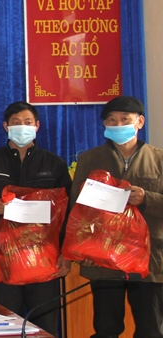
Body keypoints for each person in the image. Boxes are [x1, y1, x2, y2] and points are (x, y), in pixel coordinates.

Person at [0, 102, 71, 335]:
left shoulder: (54, 163)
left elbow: (68, 211)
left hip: (45, 258)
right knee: (6, 327)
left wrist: (66, 254)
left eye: (27, 122)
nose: (22, 127)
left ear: (37, 126)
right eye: (16, 123)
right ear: (5, 126)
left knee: (45, 328)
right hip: (4, 259)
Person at [70, 95, 163, 337]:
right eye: (112, 120)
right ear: (104, 125)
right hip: (103, 258)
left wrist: (147, 198)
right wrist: (82, 250)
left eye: (125, 119)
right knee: (106, 328)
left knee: (151, 329)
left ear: (139, 122)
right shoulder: (90, 159)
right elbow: (77, 209)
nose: (118, 124)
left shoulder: (159, 159)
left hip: (149, 259)